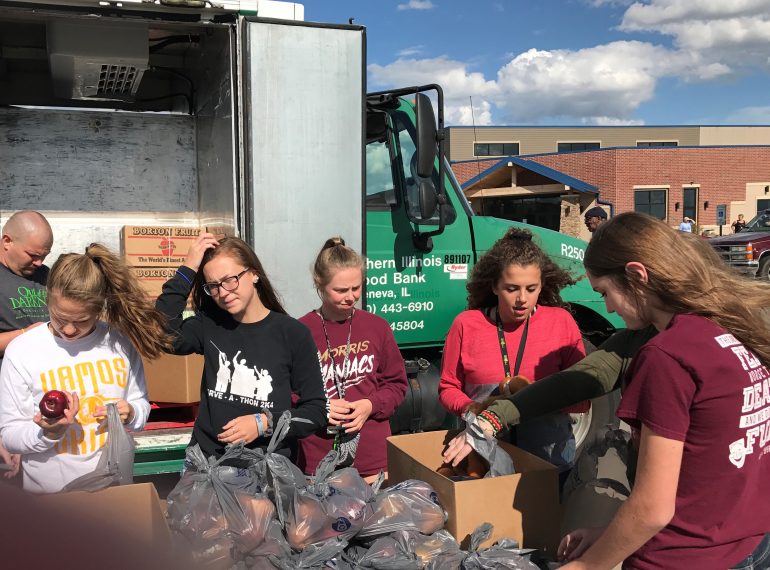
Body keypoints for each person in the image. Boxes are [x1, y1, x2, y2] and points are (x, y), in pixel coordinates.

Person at [556, 213, 770, 569]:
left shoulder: (666, 356)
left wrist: (586, 565)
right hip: (748, 542)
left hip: (685, 558)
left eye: (605, 293)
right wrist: (611, 532)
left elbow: (652, 509)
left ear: (637, 275)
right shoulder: (733, 332)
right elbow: (707, 475)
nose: (607, 307)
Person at [0, 244, 170, 493]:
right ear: (47, 299)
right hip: (51, 501)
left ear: (99, 308)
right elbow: (9, 435)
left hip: (113, 492)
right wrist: (48, 433)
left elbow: (141, 406)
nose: (68, 330)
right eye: (59, 318)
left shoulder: (119, 342)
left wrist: (131, 412)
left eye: (81, 321)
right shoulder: (23, 351)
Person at [155, 233, 326, 462]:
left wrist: (264, 423)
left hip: (268, 471)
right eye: (213, 286)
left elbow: (316, 412)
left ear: (253, 274)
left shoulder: (293, 333)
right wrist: (188, 268)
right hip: (207, 466)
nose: (223, 292)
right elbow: (163, 333)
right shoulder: (209, 325)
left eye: (230, 280)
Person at [439, 227, 586, 478]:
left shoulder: (562, 322)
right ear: (494, 286)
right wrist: (472, 407)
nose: (522, 299)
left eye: (531, 288)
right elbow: (447, 387)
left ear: (542, 285)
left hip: (549, 461)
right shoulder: (466, 324)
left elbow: (583, 397)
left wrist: (539, 397)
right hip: (485, 464)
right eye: (511, 288)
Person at [296, 237, 406, 478]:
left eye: (356, 287)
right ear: (319, 284)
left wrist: (370, 405)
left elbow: (396, 384)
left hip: (373, 459)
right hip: (319, 459)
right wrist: (320, 408)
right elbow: (287, 393)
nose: (351, 296)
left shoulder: (377, 327)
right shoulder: (300, 331)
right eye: (340, 290)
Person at [0, 210, 54, 479]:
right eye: (32, 255)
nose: (39, 261)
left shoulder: (47, 276)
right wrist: (25, 334)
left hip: (46, 406)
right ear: (7, 240)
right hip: (8, 404)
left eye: (44, 255)